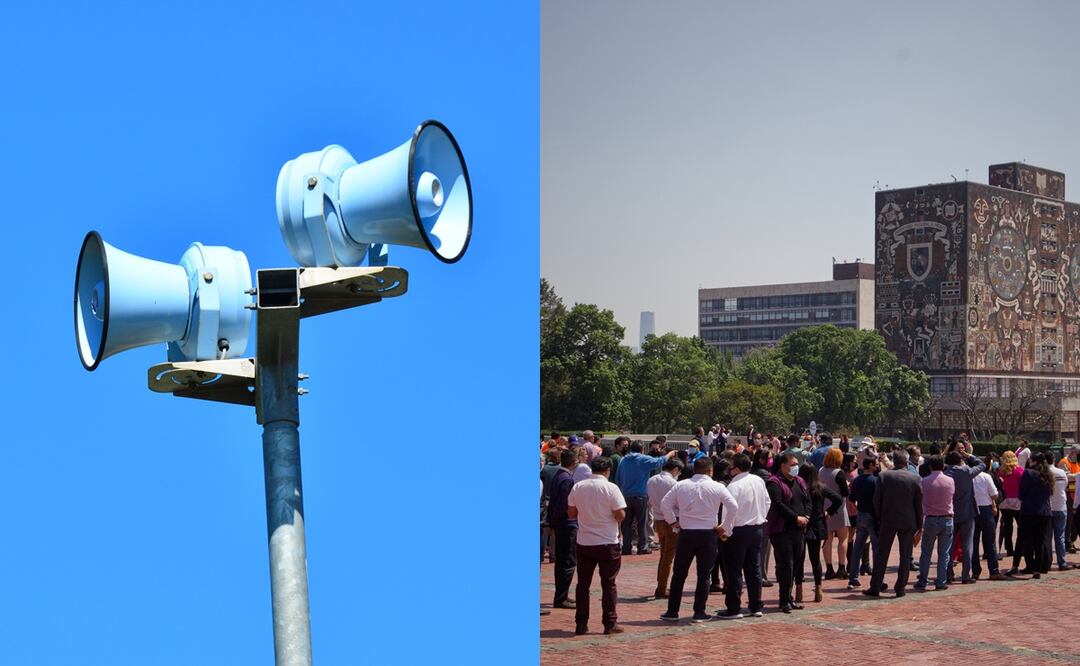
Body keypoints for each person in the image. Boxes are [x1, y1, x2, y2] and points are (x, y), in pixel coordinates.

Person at [659, 457, 739, 623]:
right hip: (708, 534)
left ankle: (672, 611)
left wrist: (673, 521)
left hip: (686, 533)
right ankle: (699, 612)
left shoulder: (681, 485)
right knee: (704, 574)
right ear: (710, 470)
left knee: (679, 573)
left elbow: (665, 503)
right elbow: (733, 506)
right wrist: (724, 526)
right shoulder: (717, 486)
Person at [568, 457, 627, 636]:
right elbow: (620, 515)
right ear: (608, 470)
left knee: (582, 584)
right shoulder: (611, 488)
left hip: (585, 541)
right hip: (607, 541)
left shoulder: (578, 486)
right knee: (608, 584)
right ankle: (609, 623)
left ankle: (581, 623)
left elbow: (571, 513)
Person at [716, 453, 771, 619]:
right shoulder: (758, 480)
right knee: (754, 568)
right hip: (757, 528)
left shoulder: (734, 486)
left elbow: (729, 511)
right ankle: (755, 605)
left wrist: (725, 530)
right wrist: (760, 516)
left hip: (738, 530)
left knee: (734, 570)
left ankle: (734, 607)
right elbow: (767, 502)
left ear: (737, 469)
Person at [866, 450, 923, 597]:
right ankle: (900, 588)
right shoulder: (915, 478)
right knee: (905, 556)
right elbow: (919, 504)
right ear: (907, 461)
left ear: (894, 461)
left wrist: (880, 516)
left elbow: (876, 500)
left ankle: (875, 586)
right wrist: (920, 525)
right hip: (908, 521)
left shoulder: (884, 476)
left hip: (888, 519)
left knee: (881, 554)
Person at [765, 453, 811, 613]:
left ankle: (789, 598)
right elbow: (777, 504)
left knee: (796, 564)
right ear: (783, 466)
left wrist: (806, 516)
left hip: (799, 529)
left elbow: (807, 500)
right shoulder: (774, 482)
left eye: (796, 464)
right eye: (792, 464)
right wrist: (795, 517)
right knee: (787, 564)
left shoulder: (800, 481)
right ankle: (784, 599)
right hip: (782, 530)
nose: (796, 467)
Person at [614, 442, 676, 556]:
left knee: (626, 524)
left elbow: (617, 478)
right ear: (642, 449)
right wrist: (669, 454)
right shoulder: (643, 459)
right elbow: (659, 462)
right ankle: (642, 547)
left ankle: (626, 547)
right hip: (640, 495)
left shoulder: (623, 460)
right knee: (642, 523)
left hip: (626, 496)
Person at [797, 463, 842, 602]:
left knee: (799, 558)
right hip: (816, 525)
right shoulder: (820, 487)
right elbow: (838, 499)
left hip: (801, 524)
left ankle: (798, 590)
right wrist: (829, 512)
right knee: (815, 559)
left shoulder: (799, 487)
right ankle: (818, 589)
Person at [1006, 452, 1054, 578]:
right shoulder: (1048, 474)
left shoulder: (1028, 473)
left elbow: (1021, 494)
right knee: (1039, 541)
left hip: (1029, 511)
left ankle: (1015, 566)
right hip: (1044, 512)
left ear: (1033, 461)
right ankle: (1037, 570)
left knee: (1021, 539)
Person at [943, 448, 986, 584]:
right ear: (960, 460)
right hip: (967, 512)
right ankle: (966, 575)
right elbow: (982, 465)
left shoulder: (945, 473)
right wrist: (969, 455)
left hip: (950, 512)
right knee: (967, 545)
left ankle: (948, 574)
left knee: (949, 545)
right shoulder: (966, 471)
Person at [915, 455, 955, 591]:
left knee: (926, 552)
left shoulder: (924, 481)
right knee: (944, 553)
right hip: (947, 518)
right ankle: (941, 581)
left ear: (930, 467)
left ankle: (923, 580)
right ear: (943, 466)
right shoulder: (950, 481)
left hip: (931, 518)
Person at [647, 458, 683, 598]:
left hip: (658, 519)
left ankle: (660, 584)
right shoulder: (673, 483)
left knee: (664, 553)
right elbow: (678, 503)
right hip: (671, 520)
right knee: (668, 556)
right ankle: (661, 588)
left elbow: (649, 500)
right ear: (675, 469)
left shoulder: (651, 480)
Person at [548, 449, 579, 608]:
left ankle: (561, 595)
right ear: (574, 462)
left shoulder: (559, 476)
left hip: (560, 523)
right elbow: (562, 504)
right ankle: (561, 598)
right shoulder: (566, 479)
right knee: (568, 561)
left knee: (561, 561)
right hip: (567, 524)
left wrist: (552, 522)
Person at [847, 457, 880, 589]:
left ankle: (853, 578)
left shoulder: (857, 480)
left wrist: (858, 510)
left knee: (857, 548)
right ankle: (877, 579)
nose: (877, 466)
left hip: (861, 515)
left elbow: (851, 499)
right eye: (875, 464)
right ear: (871, 465)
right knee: (876, 548)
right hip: (873, 516)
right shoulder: (875, 481)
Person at [971, 457, 1005, 581]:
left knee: (973, 543)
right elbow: (994, 494)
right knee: (990, 541)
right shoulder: (986, 476)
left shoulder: (968, 477)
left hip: (972, 510)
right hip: (985, 509)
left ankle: (975, 571)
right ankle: (993, 570)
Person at [819, 448, 850, 579]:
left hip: (824, 506)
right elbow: (845, 493)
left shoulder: (821, 470)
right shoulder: (839, 473)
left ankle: (829, 568)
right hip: (839, 507)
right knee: (843, 538)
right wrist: (847, 484)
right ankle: (842, 568)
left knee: (827, 539)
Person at [997, 450, 1023, 557]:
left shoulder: (1000, 471)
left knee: (1007, 526)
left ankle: (1009, 548)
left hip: (1005, 501)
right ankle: (1020, 548)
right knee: (1021, 526)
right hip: (1017, 501)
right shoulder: (1019, 470)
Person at [1050, 457, 1072, 571]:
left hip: (1048, 508)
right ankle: (1062, 563)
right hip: (1061, 506)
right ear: (1053, 460)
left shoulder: (1043, 473)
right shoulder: (1061, 472)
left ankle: (1047, 562)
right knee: (1060, 537)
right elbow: (1065, 485)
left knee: (1047, 537)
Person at [1058, 445, 1080, 552]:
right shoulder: (1064, 462)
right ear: (1073, 453)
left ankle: (1071, 540)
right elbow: (1065, 476)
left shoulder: (1077, 462)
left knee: (1076, 520)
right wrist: (1078, 475)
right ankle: (1067, 542)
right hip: (1068, 494)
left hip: (1076, 493)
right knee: (1069, 519)